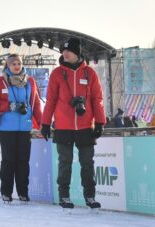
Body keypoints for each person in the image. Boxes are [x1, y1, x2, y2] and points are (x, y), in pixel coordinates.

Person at [41, 38, 105, 210]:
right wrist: (45, 123)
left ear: (77, 52)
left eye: (68, 50)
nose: (65, 53)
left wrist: (100, 121)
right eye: (63, 50)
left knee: (87, 163)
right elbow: (51, 101)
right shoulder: (56, 73)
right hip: (63, 126)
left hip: (85, 126)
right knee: (65, 163)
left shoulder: (89, 73)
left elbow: (97, 100)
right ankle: (64, 196)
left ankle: (90, 197)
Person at [0, 53, 43, 204]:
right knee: (8, 161)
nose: (16, 66)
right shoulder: (0, 82)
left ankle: (23, 193)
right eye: (13, 64)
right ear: (7, 66)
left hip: (25, 127)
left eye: (19, 63)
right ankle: (6, 192)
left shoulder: (30, 81)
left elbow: (36, 104)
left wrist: (43, 123)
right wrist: (9, 106)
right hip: (6, 129)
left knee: (23, 161)